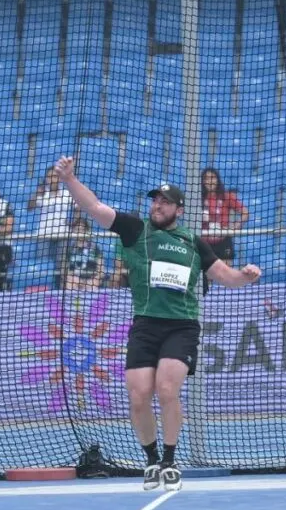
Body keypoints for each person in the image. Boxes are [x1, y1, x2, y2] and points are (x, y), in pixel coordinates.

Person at [54, 155, 262, 491]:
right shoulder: (136, 230)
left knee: (167, 389)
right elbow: (94, 207)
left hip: (181, 325)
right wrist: (70, 179)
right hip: (145, 324)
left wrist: (246, 276)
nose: (158, 205)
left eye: (165, 202)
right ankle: (151, 461)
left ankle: (169, 460)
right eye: (156, 200)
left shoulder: (192, 242)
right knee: (138, 396)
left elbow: (226, 276)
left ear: (179, 210)